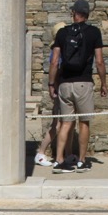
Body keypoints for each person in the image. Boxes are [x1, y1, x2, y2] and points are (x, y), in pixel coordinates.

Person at [48, 0, 108, 172]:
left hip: (65, 84)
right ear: (87, 14)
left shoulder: (62, 32)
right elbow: (99, 61)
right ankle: (81, 161)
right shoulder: (94, 32)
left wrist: (52, 83)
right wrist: (104, 83)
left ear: (74, 13)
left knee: (66, 123)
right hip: (84, 82)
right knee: (84, 122)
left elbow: (54, 62)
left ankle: (59, 160)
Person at [34, 21, 66, 168]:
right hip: (60, 90)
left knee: (67, 124)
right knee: (57, 124)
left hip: (64, 89)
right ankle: (41, 153)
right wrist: (54, 86)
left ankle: (66, 153)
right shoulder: (56, 51)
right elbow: (56, 68)